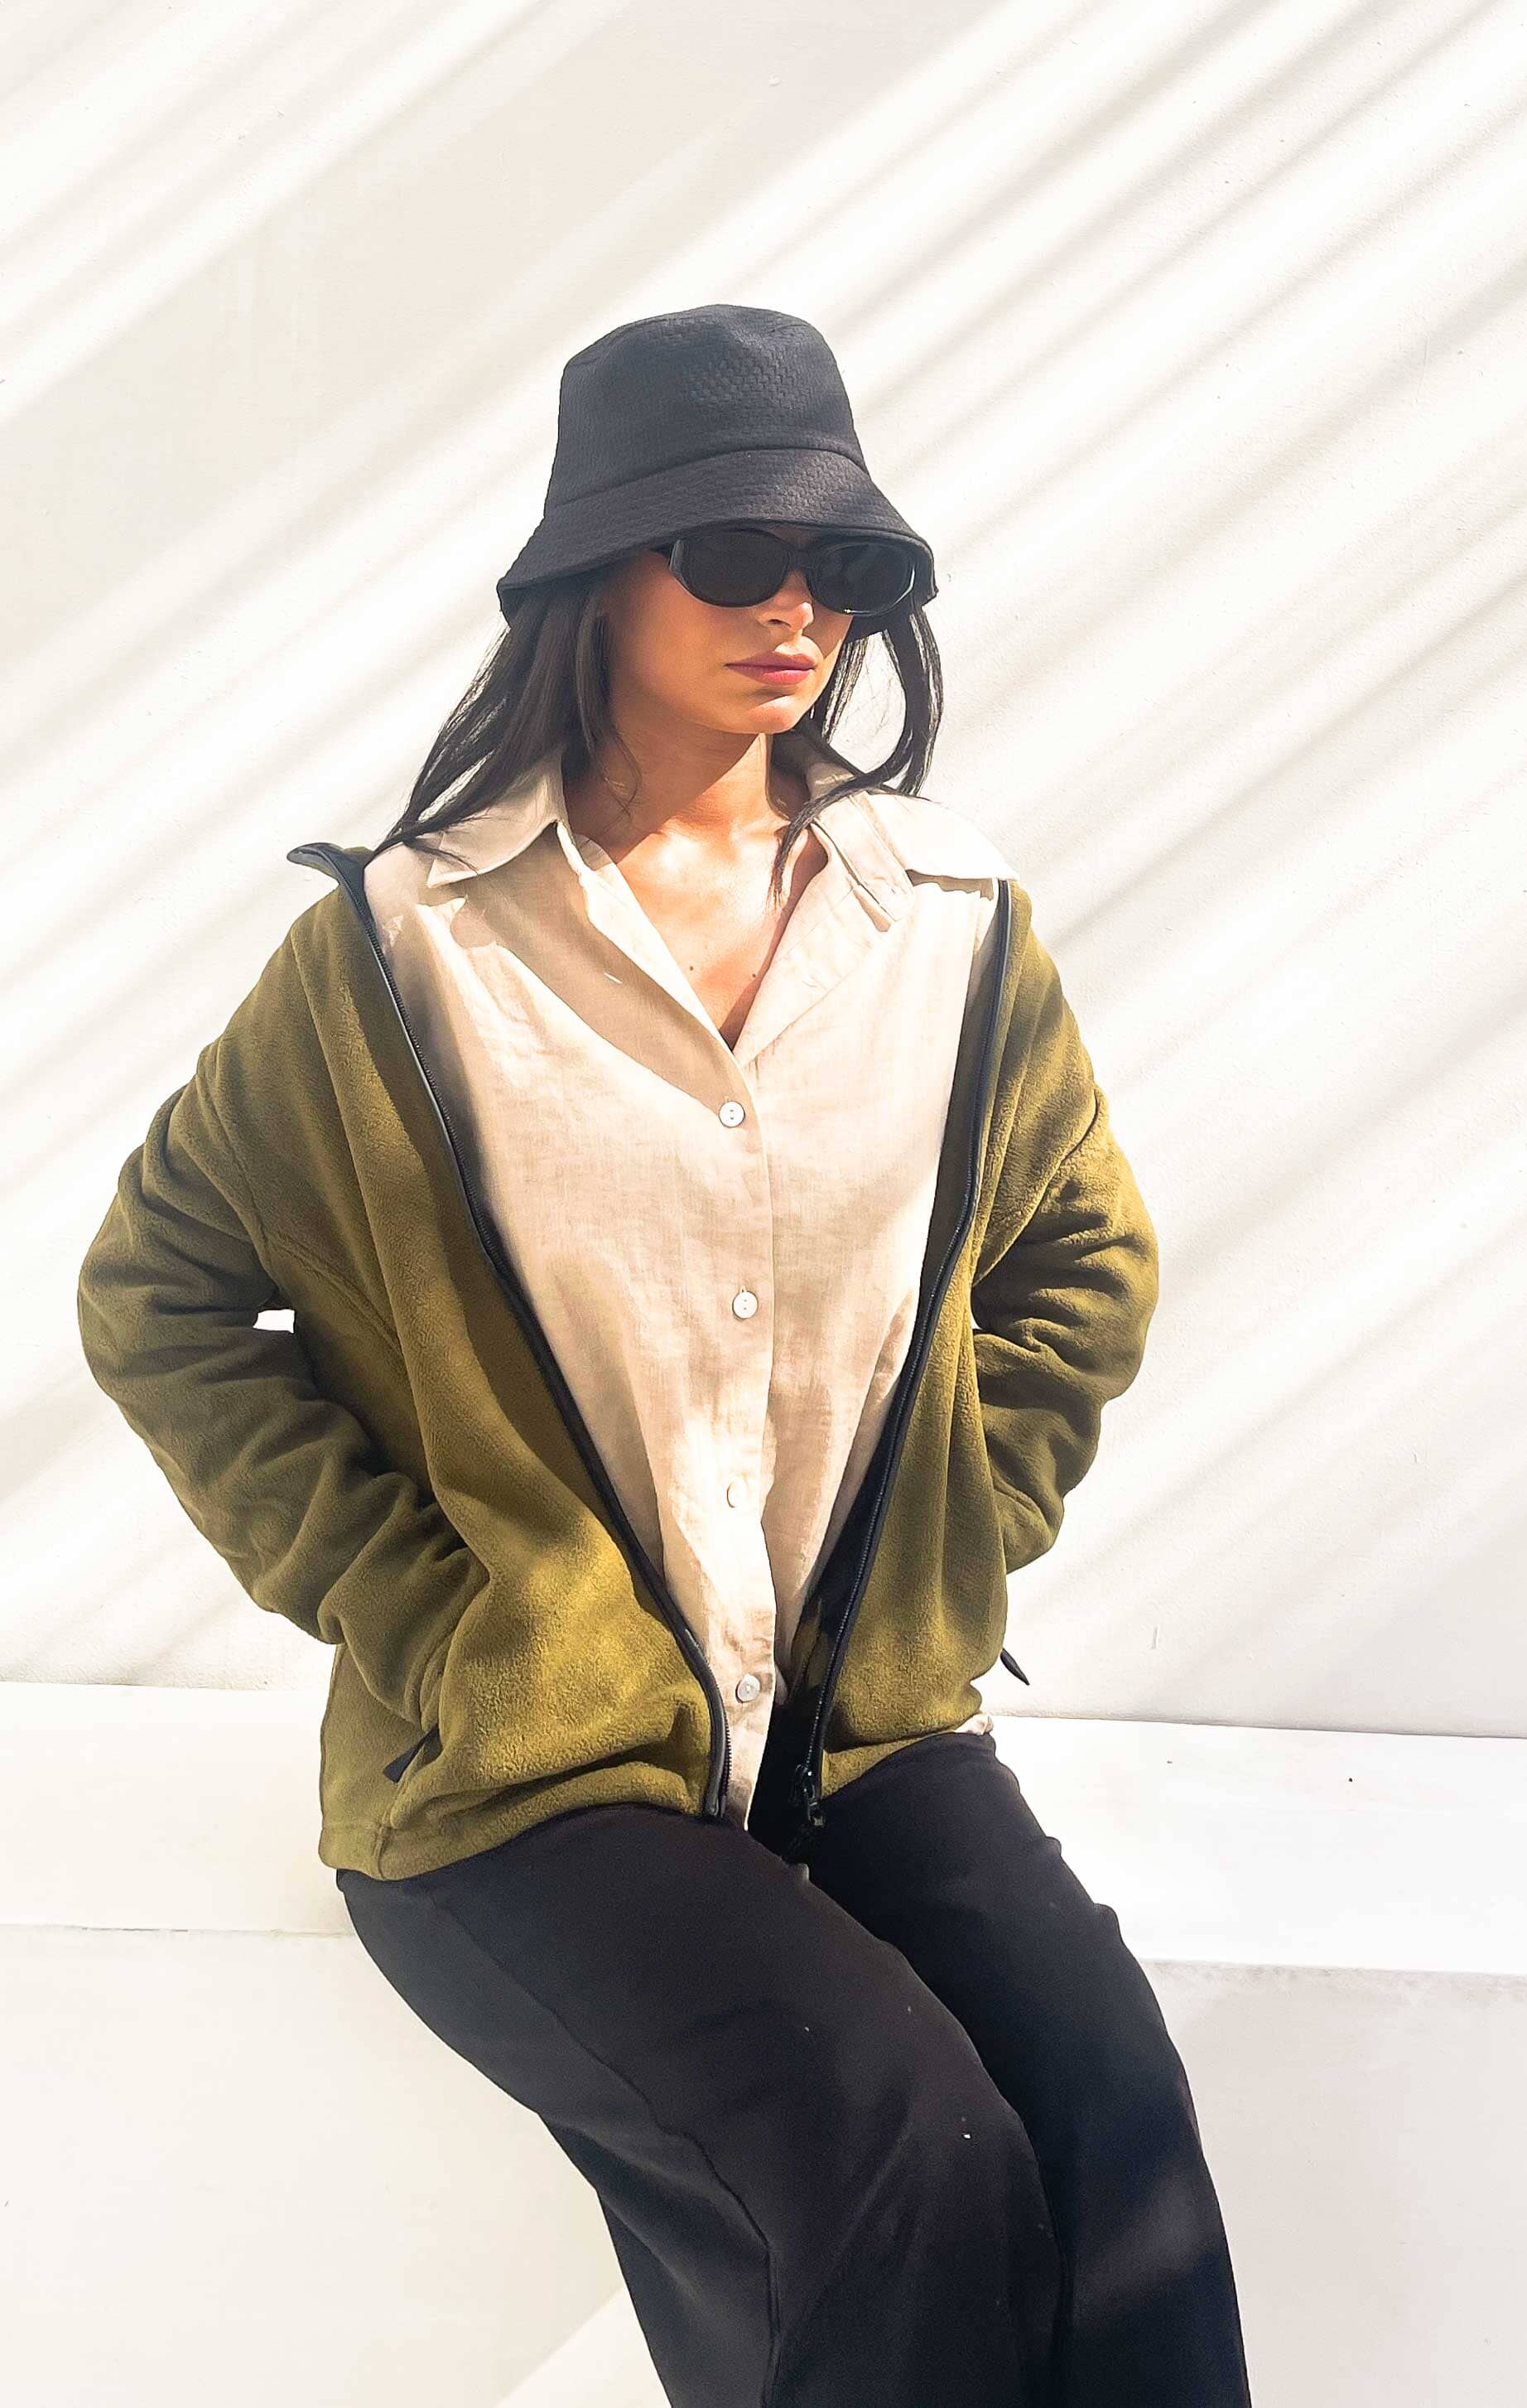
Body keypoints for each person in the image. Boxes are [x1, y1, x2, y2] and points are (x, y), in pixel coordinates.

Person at [76, 304, 1253, 2406]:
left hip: (855, 1733)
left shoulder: (952, 926)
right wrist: (435, 1611)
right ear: (599, 578)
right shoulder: (405, 953)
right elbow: (157, 1290)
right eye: (732, 552)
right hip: (533, 1777)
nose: (798, 607)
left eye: (846, 564)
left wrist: (948, 1543)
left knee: (1112, 2118)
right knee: (904, 2148)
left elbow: (1086, 1257)